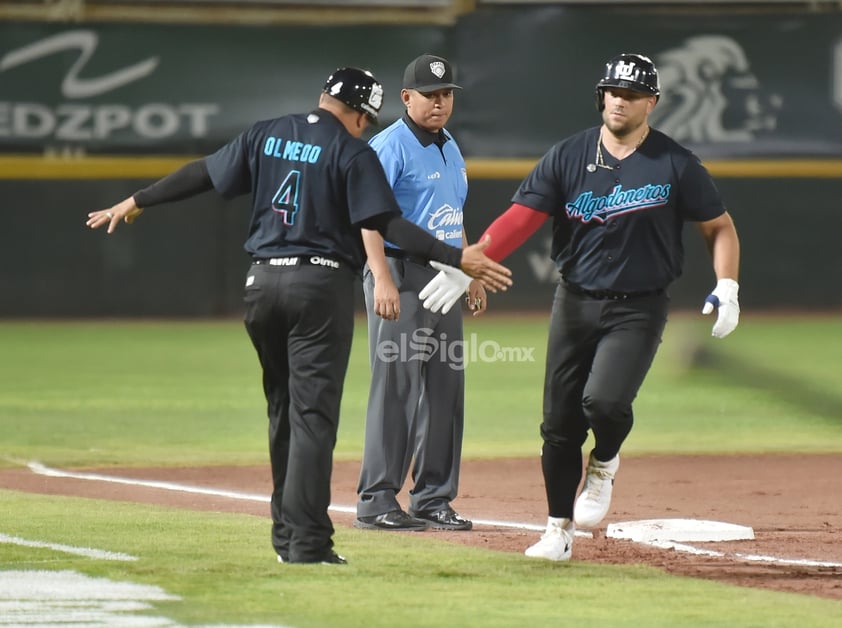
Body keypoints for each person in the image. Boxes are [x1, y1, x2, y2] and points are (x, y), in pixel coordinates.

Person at [86, 67, 512, 565]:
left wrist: (140, 199)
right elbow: (385, 222)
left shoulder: (265, 134)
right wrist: (455, 257)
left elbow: (204, 171)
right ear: (361, 115)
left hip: (262, 285)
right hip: (318, 286)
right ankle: (310, 541)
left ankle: (287, 534)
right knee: (313, 419)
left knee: (282, 414)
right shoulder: (353, 151)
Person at [421, 53, 741, 560]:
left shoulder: (675, 162)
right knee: (559, 426)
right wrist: (472, 261)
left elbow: (718, 225)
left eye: (632, 94)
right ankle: (558, 531)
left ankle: (606, 460)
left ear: (651, 103)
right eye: (613, 91)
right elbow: (521, 217)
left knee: (605, 404)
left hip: (639, 306)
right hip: (575, 300)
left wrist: (728, 285)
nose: (620, 99)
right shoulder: (568, 156)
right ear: (602, 96)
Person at [353, 54, 482, 533]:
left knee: (445, 390)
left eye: (446, 94)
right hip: (400, 274)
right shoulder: (389, 145)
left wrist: (468, 268)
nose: (439, 103)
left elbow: (453, 210)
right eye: (430, 95)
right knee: (396, 388)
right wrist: (380, 276)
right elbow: (368, 214)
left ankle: (432, 498)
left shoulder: (449, 143)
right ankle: (376, 500)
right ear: (406, 97)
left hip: (446, 277)